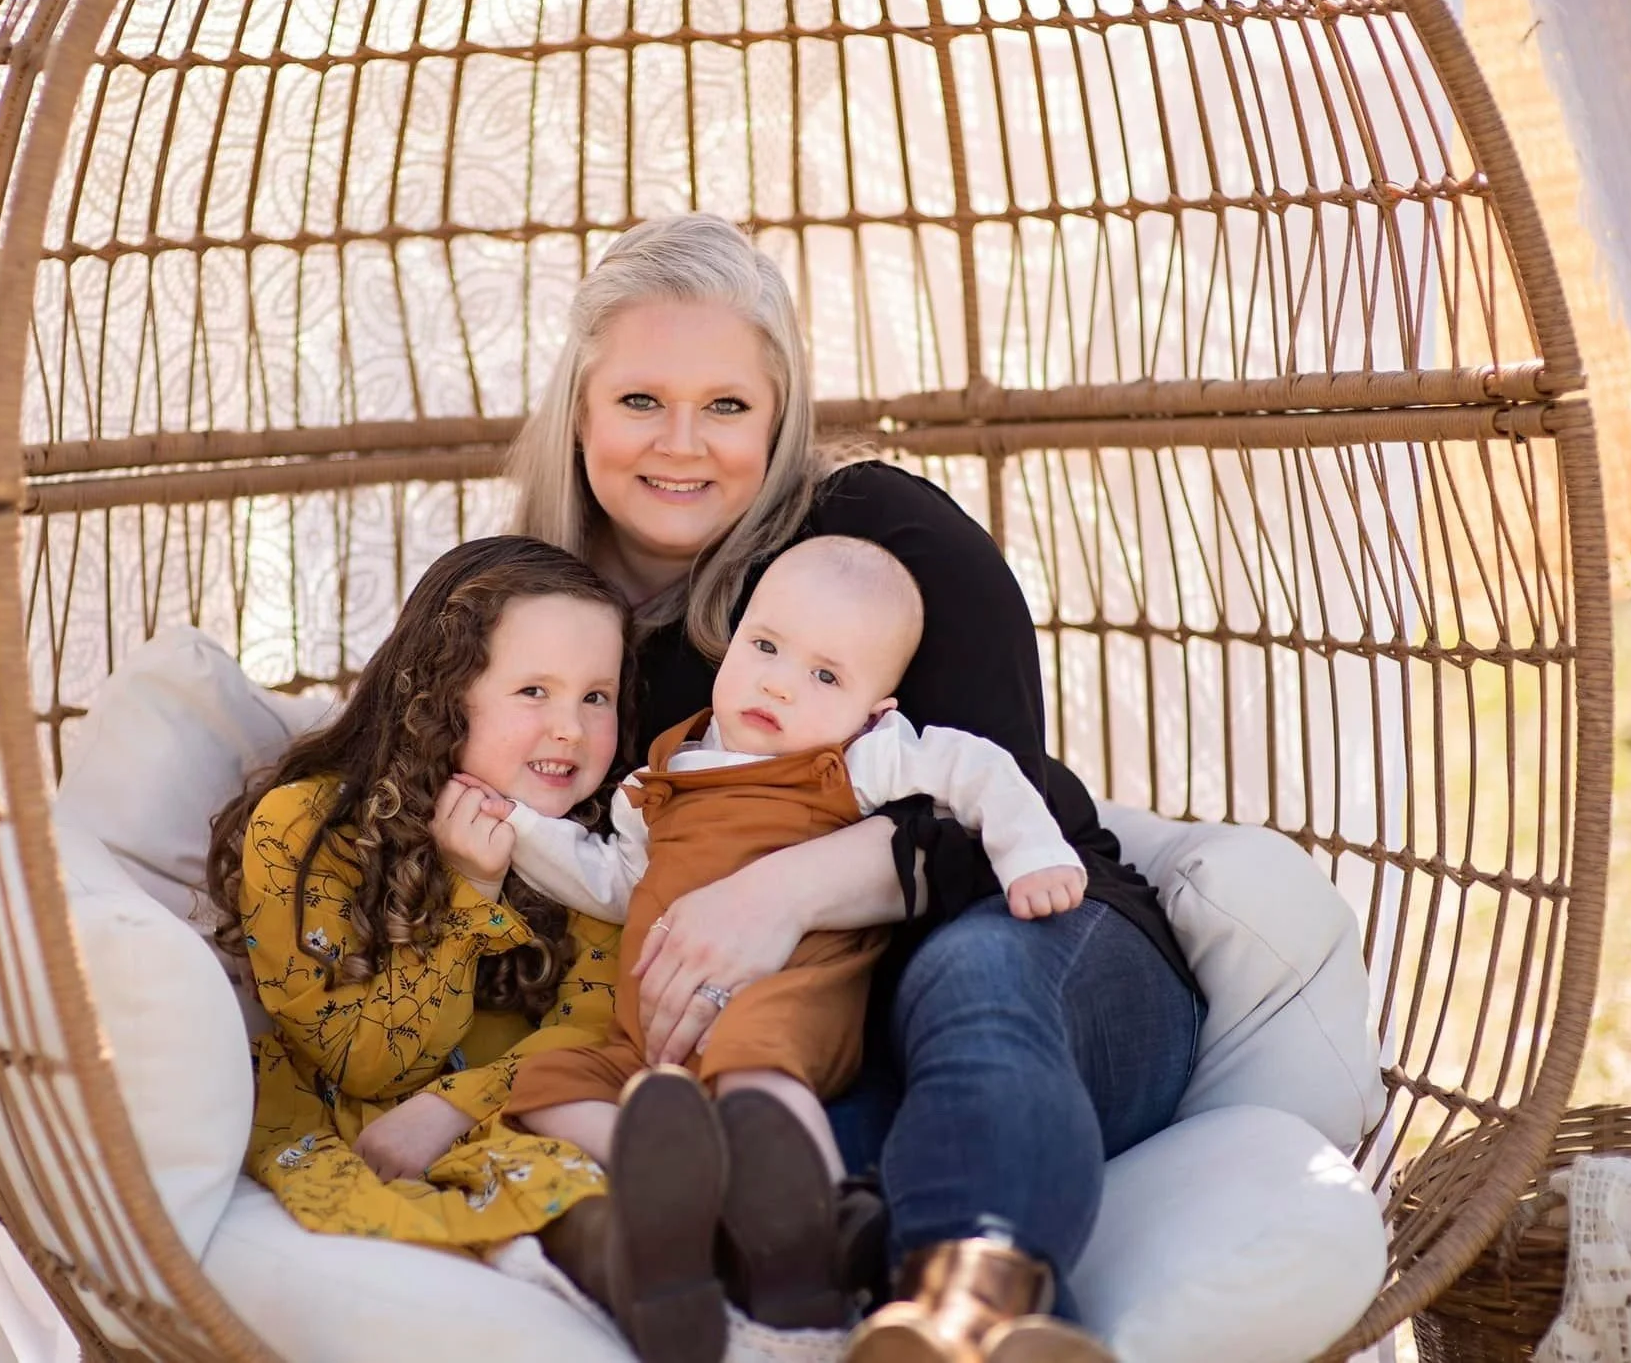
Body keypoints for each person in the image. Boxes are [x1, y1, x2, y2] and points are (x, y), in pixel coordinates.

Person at [503, 213, 1206, 1363]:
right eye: (639, 400)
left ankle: (966, 1316)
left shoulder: (875, 541)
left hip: (1055, 972)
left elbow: (998, 811)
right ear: (576, 409)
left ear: (777, 417)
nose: (681, 443)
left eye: (725, 404)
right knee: (766, 1167)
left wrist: (780, 891)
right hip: (801, 1051)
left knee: (968, 969)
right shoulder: (548, 638)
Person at [201, 535, 631, 1249]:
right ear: (441, 693)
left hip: (530, 1110)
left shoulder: (594, 849)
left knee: (578, 1178)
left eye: (597, 696)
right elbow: (368, 1061)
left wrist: (452, 1108)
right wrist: (471, 892)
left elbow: (597, 1023)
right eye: (533, 691)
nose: (571, 729)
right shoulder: (305, 832)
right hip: (361, 1116)